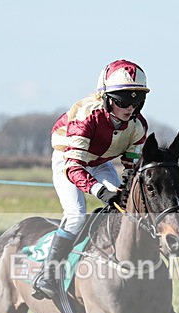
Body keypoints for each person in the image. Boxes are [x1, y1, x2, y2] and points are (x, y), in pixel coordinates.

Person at [32, 59, 150, 300]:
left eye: (137, 100)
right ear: (106, 98)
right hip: (68, 159)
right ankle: (48, 273)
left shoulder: (138, 126)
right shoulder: (86, 116)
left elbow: (130, 168)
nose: (130, 107)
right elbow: (74, 168)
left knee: (123, 207)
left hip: (100, 163)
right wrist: (98, 190)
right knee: (76, 214)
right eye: (123, 100)